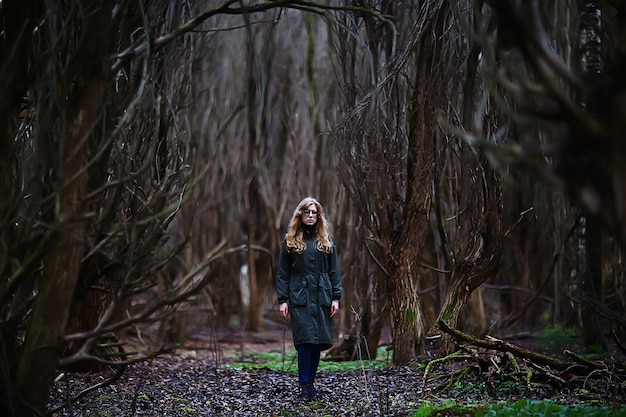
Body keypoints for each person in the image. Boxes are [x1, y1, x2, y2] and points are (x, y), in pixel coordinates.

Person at [276, 197, 342, 400]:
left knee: (318, 343)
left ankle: (311, 385)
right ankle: (304, 386)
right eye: (307, 212)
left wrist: (336, 298)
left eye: (314, 213)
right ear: (300, 215)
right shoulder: (290, 241)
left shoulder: (326, 242)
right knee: (305, 342)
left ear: (319, 216)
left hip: (322, 296)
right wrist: (283, 300)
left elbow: (334, 272)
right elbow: (282, 273)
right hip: (300, 298)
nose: (311, 216)